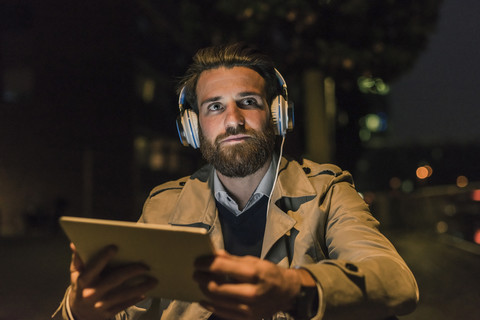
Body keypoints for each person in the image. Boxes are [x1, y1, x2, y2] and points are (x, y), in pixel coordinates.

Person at [53, 43, 418, 320]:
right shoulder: (164, 205)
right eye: (214, 106)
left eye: (248, 102)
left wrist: (296, 288)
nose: (233, 120)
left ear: (277, 116)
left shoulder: (327, 191)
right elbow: (128, 310)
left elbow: (395, 280)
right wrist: (81, 308)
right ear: (193, 128)